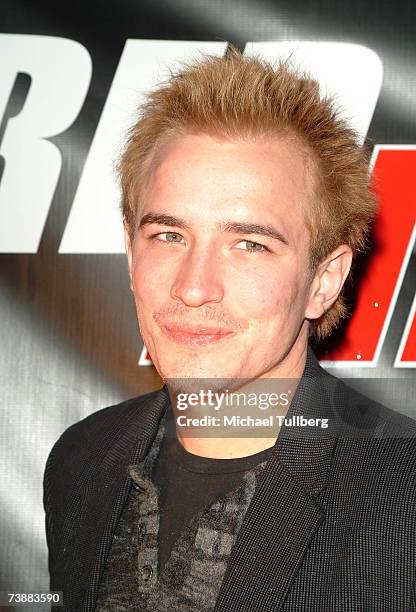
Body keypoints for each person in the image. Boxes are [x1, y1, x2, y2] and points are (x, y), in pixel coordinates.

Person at [43, 46, 416, 612]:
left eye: (249, 244)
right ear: (128, 250)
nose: (194, 287)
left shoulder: (404, 496)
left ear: (325, 280)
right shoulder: (80, 460)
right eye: (168, 236)